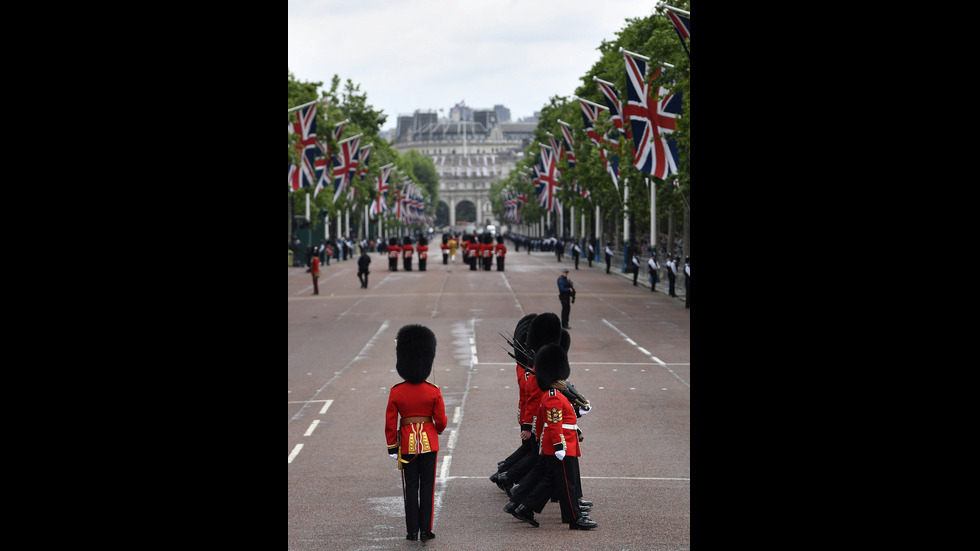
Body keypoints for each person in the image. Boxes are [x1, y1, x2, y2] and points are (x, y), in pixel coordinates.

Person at [385, 324, 447, 542]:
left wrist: (392, 446)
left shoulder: (396, 391)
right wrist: (436, 429)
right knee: (427, 487)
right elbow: (441, 422)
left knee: (411, 486)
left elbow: (390, 421)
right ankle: (426, 530)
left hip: (407, 445)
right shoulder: (433, 391)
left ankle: (411, 530)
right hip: (429, 442)